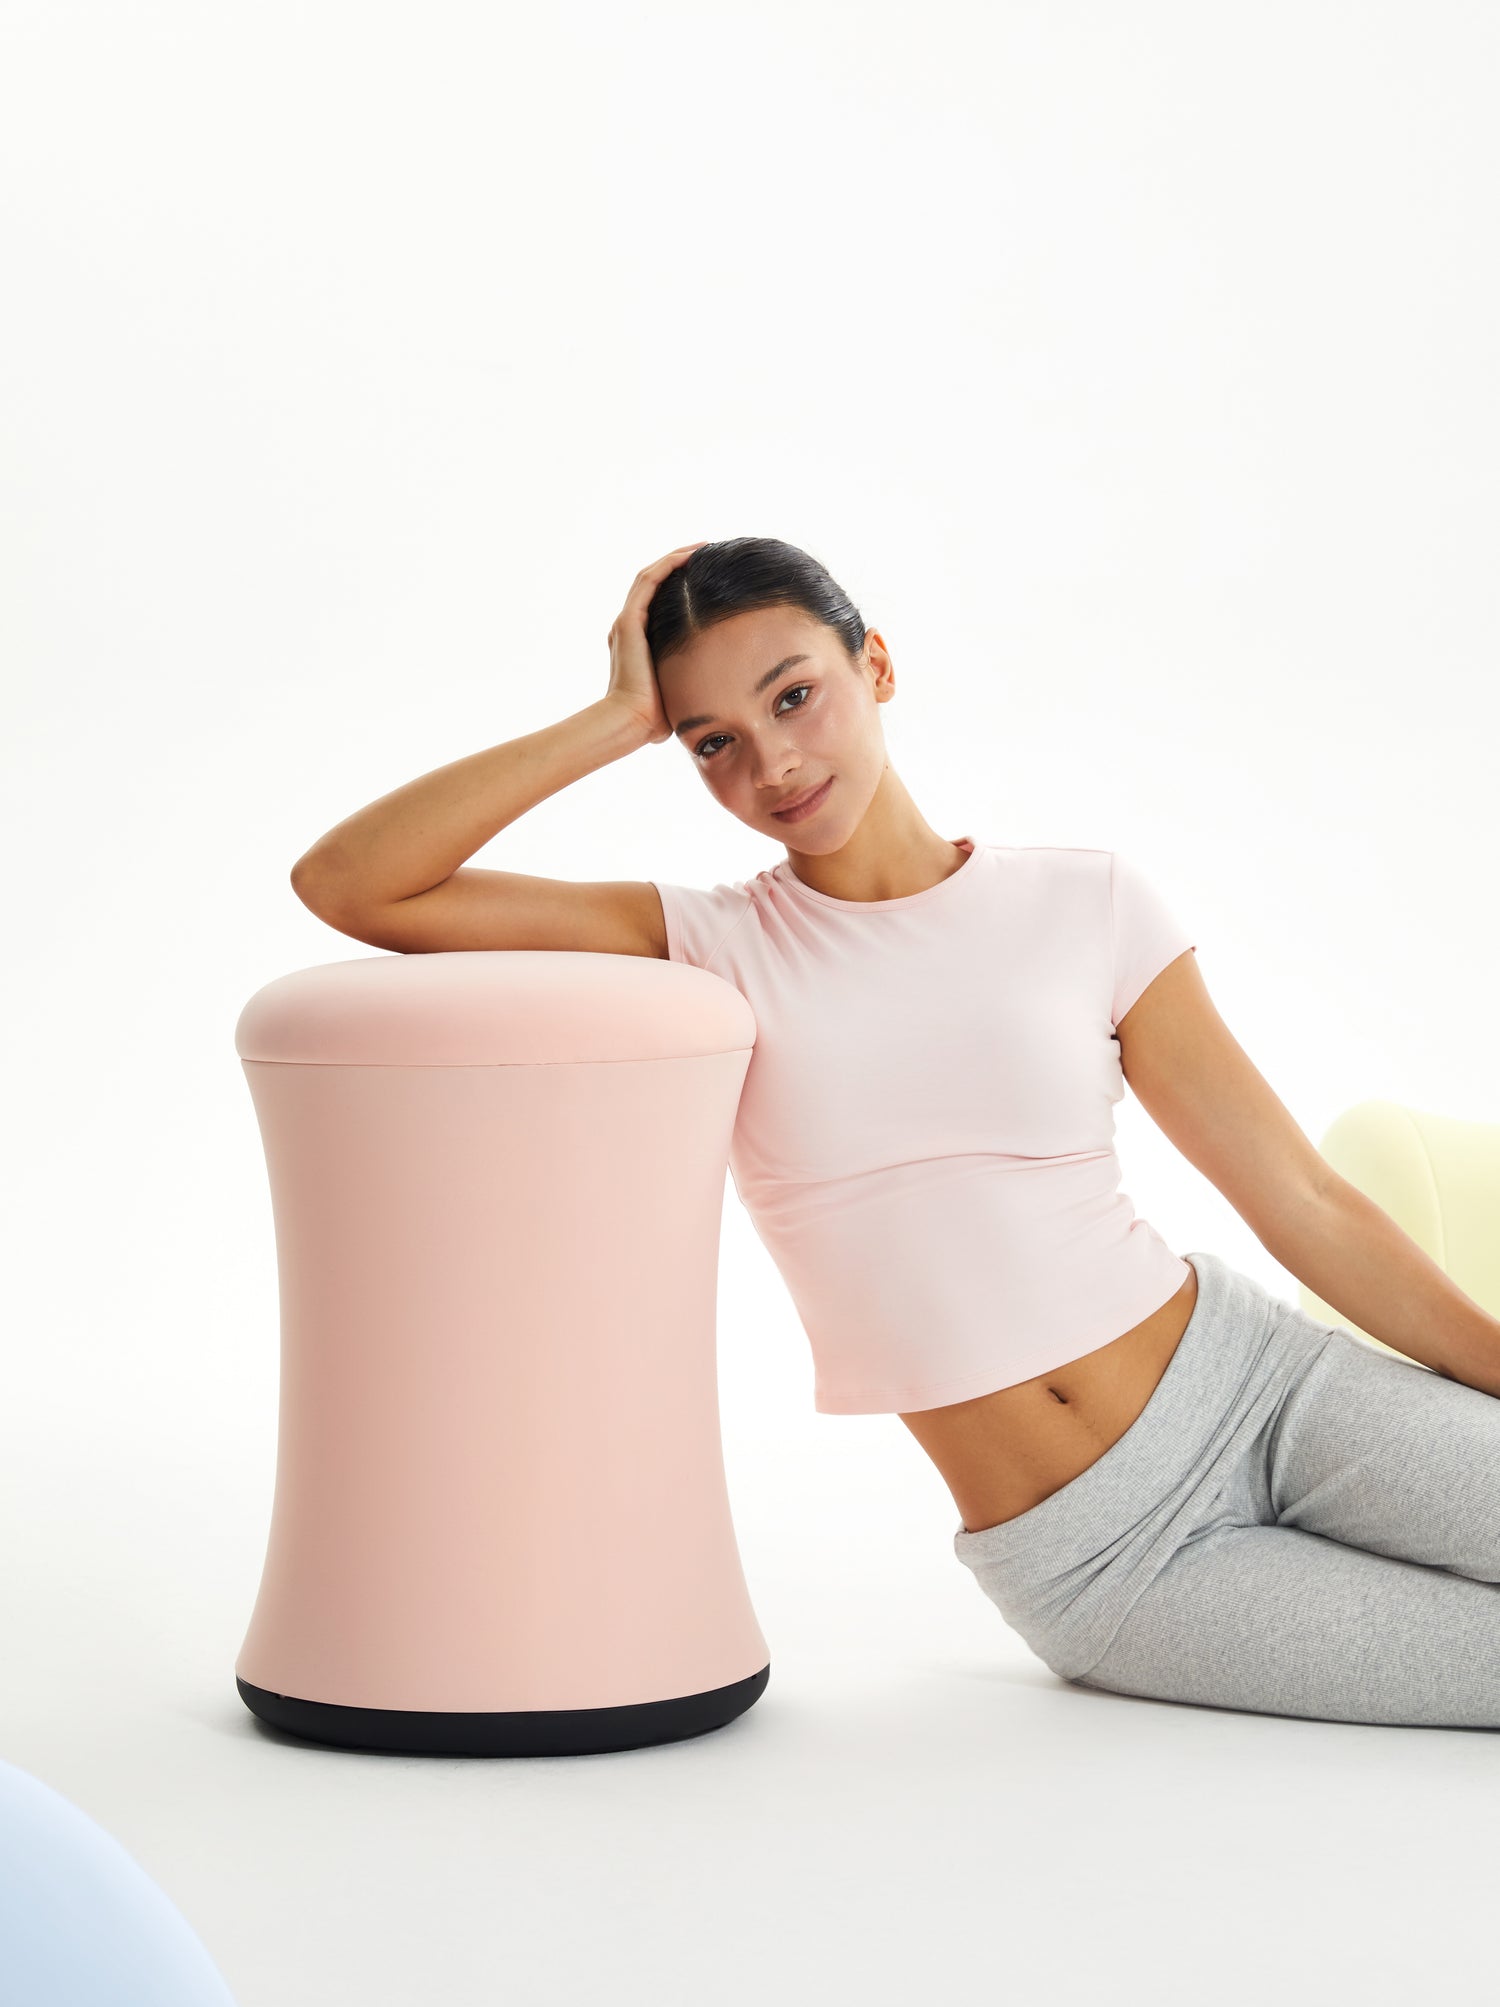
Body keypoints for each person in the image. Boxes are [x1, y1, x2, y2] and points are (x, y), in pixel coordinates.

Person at [289, 536, 1500, 1731]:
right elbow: (356, 885)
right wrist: (614, 720)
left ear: (875, 664)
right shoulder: (711, 947)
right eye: (714, 742)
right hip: (1112, 1562)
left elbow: (1299, 1195)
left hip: (1271, 1395)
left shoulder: (1089, 901)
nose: (771, 762)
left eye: (794, 696)